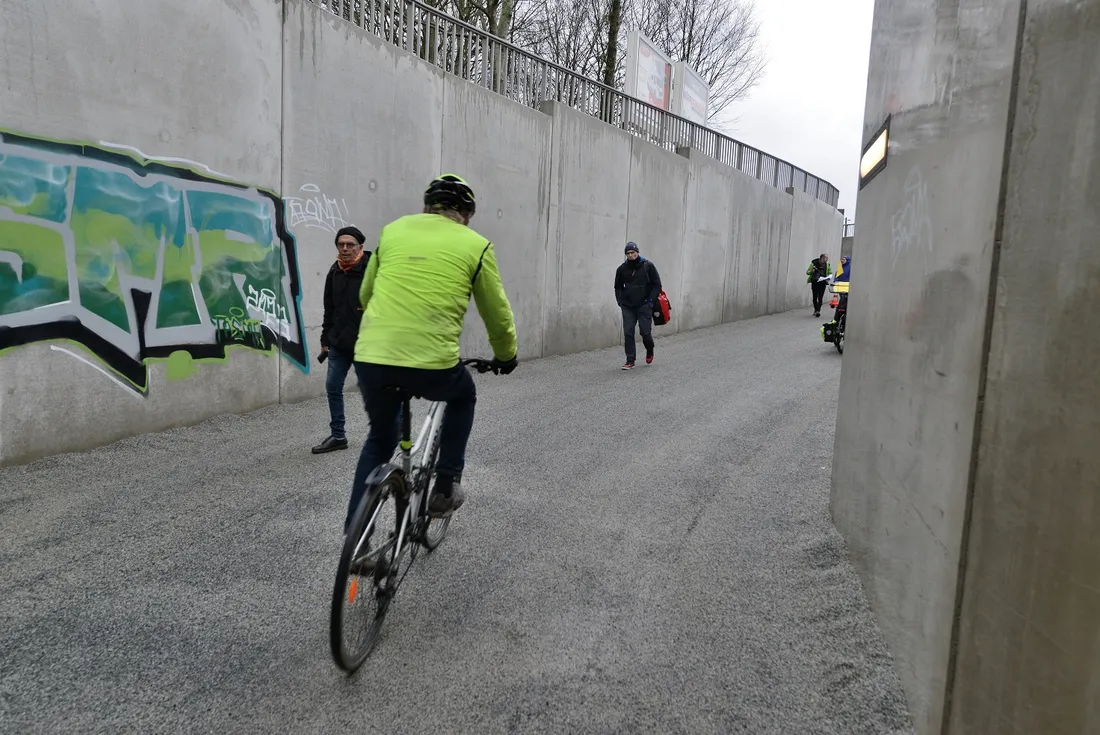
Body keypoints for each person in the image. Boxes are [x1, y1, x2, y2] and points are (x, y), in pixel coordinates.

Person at [345, 174, 518, 532]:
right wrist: (506, 356)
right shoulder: (476, 245)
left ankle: (357, 535)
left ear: (426, 207)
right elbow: (496, 314)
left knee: (380, 439)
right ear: (466, 215)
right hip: (431, 364)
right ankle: (444, 486)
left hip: (372, 358)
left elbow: (365, 295)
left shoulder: (393, 231)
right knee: (464, 394)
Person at [312, 226, 371, 454]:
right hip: (339, 343)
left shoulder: (371, 271)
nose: (345, 248)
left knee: (374, 390)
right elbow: (330, 308)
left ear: (360, 247)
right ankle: (338, 436)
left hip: (367, 344)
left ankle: (386, 434)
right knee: (333, 386)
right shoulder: (334, 271)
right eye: (341, 244)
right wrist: (325, 339)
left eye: (350, 244)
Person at [614, 242, 662, 370]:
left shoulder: (648, 266)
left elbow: (657, 285)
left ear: (637, 252)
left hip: (644, 305)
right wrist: (620, 301)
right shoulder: (622, 269)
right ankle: (630, 360)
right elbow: (618, 287)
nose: (630, 255)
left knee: (645, 332)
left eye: (632, 252)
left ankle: (650, 349)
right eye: (628, 253)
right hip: (628, 306)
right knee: (628, 333)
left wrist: (650, 302)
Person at [806, 253, 833, 317]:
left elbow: (830, 272)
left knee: (820, 297)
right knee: (815, 297)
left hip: (822, 282)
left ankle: (818, 311)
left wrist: (829, 277)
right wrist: (811, 271)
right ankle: (815, 310)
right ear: (822, 258)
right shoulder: (814, 264)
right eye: (826, 258)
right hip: (815, 282)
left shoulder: (827, 265)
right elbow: (807, 272)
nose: (827, 259)